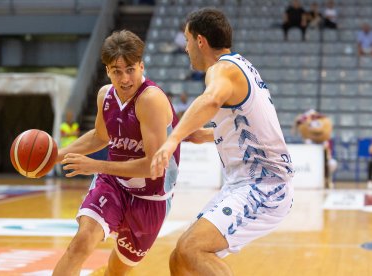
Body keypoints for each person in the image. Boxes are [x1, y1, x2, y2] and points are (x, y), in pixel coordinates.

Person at [150, 8, 294, 275]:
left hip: (264, 186)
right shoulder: (239, 66)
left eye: (187, 40)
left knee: (192, 249)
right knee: (179, 258)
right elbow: (245, 125)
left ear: (200, 41)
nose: (186, 48)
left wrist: (173, 140)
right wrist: (204, 134)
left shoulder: (222, 69)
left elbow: (211, 100)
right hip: (244, 183)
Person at [53, 30, 180, 276]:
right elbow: (100, 136)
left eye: (130, 69)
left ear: (141, 66)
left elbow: (153, 165)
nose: (124, 79)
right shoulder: (105, 95)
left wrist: (96, 166)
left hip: (150, 198)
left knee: (116, 271)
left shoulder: (151, 99)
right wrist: (57, 155)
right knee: (80, 244)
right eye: (116, 71)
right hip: (114, 184)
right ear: (107, 70)